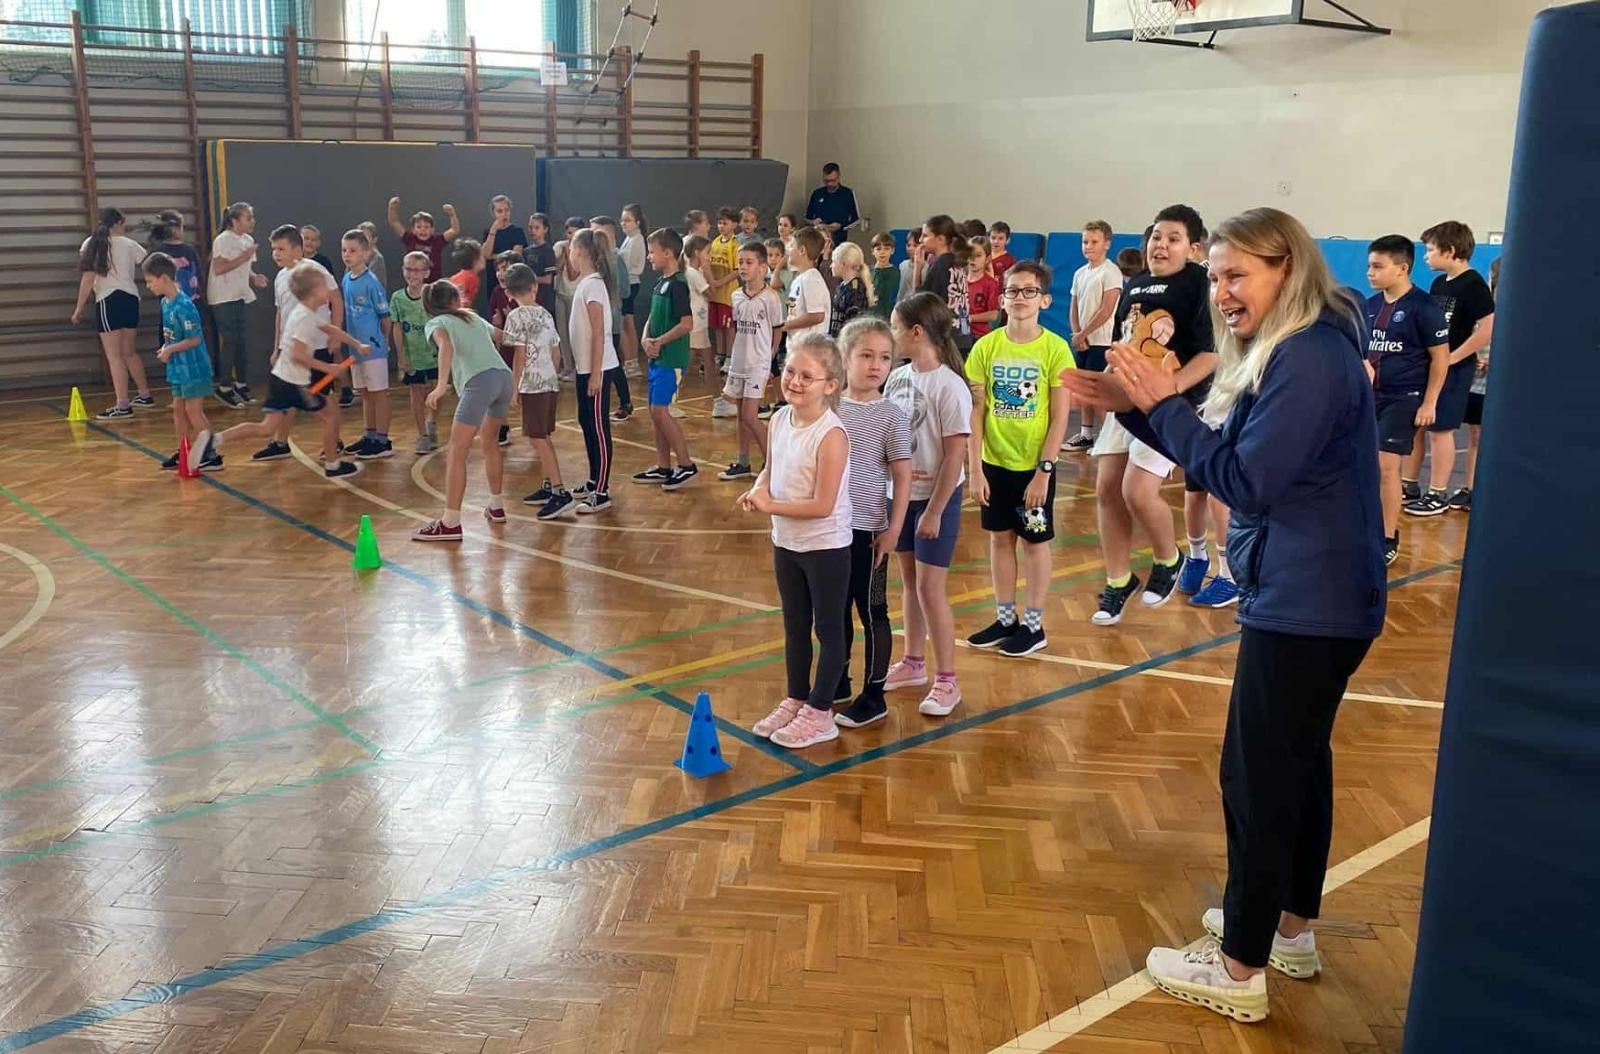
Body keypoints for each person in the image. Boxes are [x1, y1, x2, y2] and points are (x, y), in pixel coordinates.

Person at [1068, 207, 1385, 1026]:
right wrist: (1132, 404)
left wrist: (1157, 405)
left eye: (1236, 275)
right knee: (1299, 768)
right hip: (1311, 595)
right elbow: (1224, 447)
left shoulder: (1310, 356)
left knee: (1258, 778)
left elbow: (1246, 481)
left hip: (1309, 601)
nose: (1221, 292)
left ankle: (1239, 966)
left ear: (1289, 268)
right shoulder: (1293, 347)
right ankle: (1288, 929)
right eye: (1214, 276)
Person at [1087, 205, 1214, 626]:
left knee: (1137, 491)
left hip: (1166, 402)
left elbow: (1210, 354)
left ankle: (1169, 557)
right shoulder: (1136, 285)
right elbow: (1127, 343)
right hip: (1125, 399)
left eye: (1173, 238)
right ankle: (1119, 579)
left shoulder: (1197, 282)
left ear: (1193, 248)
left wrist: (1166, 393)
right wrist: (1104, 383)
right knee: (1106, 489)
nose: (1161, 244)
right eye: (1156, 236)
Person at [744, 334, 854, 750]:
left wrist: (771, 505)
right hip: (786, 541)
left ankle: (821, 711)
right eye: (791, 370)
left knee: (828, 628)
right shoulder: (779, 420)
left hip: (825, 546)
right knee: (794, 625)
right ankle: (796, 697)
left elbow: (823, 505)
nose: (794, 381)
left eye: (807, 376)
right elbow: (770, 471)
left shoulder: (831, 435)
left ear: (830, 385)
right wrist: (757, 490)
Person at [964, 260, 1075, 657]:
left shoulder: (1055, 349)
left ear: (1044, 299)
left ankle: (1034, 624)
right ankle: (1005, 617)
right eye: (1012, 291)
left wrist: (1044, 471)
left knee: (1033, 542)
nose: (1020, 298)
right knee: (999, 540)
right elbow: (975, 411)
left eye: (1029, 291)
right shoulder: (985, 348)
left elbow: (1061, 414)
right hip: (994, 463)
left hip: (1033, 468)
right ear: (1003, 298)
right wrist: (975, 468)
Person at [882, 293, 972, 718]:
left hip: (937, 499)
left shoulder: (949, 386)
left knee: (930, 588)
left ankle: (947, 679)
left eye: (896, 327)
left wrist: (935, 510)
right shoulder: (898, 377)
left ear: (916, 333)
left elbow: (955, 456)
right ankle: (913, 662)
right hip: (900, 496)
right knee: (909, 581)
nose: (892, 333)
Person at [207, 263, 362, 476]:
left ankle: (214, 440)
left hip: (281, 379)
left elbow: (329, 328)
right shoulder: (304, 318)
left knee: (266, 429)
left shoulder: (306, 311)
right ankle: (333, 465)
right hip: (294, 383)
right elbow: (299, 355)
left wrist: (356, 344)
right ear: (314, 291)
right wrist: (329, 368)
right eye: (324, 286)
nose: (329, 290)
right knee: (331, 417)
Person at [832, 317, 912, 729]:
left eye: (884, 357)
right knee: (834, 609)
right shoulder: (828, 408)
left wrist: (893, 530)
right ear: (844, 359)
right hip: (830, 531)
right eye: (866, 355)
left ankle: (874, 694)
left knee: (872, 610)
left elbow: (901, 474)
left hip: (868, 531)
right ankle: (837, 680)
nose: (875, 365)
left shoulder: (891, 415)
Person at [1363, 235, 1449, 565]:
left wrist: (1429, 403)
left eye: (1377, 267)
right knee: (1364, 464)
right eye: (1369, 266)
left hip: (1404, 398)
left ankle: (1387, 535)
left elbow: (1440, 359)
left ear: (1402, 268)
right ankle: (1365, 528)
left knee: (1387, 465)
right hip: (1370, 398)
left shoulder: (1424, 308)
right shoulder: (1369, 307)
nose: (1370, 273)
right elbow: (1364, 354)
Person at [1403, 221, 1496, 517]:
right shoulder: (1439, 283)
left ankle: (1438, 492)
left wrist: (1454, 357)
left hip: (1454, 370)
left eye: (1431, 250)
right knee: (1418, 425)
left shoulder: (1473, 284)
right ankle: (1410, 484)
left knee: (1440, 430)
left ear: (1451, 251)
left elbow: (1488, 327)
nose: (1427, 256)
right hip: (1430, 366)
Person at [410, 280, 514, 541]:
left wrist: (441, 385)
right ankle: (497, 505)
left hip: (479, 382)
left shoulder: (436, 323)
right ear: (456, 300)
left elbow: (446, 346)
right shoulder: (472, 317)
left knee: (457, 451)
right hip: (504, 378)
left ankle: (450, 522)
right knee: (490, 442)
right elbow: (503, 337)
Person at [265, 224, 354, 475]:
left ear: (297, 248)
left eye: (281, 249)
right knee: (290, 398)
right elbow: (280, 313)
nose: (276, 254)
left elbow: (336, 301)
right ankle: (280, 442)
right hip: (290, 348)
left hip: (316, 347)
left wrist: (335, 338)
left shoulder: (316, 272)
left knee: (323, 399)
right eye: (274, 249)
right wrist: (277, 347)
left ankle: (333, 447)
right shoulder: (281, 276)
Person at [501, 263, 571, 520]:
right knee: (543, 435)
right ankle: (547, 485)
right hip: (548, 382)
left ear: (508, 293)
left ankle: (560, 490)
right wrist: (550, 374)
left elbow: (519, 355)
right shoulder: (545, 314)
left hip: (532, 385)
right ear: (534, 287)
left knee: (537, 438)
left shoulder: (515, 317)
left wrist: (515, 386)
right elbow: (555, 351)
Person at [631, 227, 698, 491]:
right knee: (655, 413)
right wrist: (646, 339)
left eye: (652, 252)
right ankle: (663, 466)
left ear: (668, 253)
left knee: (661, 411)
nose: (649, 257)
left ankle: (686, 464)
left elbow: (687, 323)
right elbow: (651, 319)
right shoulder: (661, 283)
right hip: (658, 358)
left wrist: (660, 342)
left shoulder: (679, 285)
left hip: (671, 359)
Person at [72, 207, 152, 419]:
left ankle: (123, 405)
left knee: (114, 356)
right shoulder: (129, 244)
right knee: (129, 352)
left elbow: (88, 279)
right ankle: (144, 394)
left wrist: (79, 307)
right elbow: (147, 264)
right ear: (117, 223)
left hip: (109, 300)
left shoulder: (91, 243)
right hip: (131, 299)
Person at [142, 252, 219, 473]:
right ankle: (183, 448)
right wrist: (167, 348)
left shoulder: (185, 306)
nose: (148, 286)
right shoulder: (166, 303)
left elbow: (195, 339)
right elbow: (173, 336)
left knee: (193, 410)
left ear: (164, 278)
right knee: (177, 407)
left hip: (193, 366)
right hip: (177, 366)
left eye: (150, 281)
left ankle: (210, 454)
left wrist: (171, 349)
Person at [718, 240, 783, 481]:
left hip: (758, 363)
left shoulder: (771, 298)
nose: (743, 267)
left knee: (749, 415)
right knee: (739, 413)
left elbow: (777, 328)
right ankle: (743, 461)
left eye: (749, 262)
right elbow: (734, 327)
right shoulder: (736, 295)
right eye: (740, 263)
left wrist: (771, 353)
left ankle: (774, 463)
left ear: (763, 267)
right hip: (739, 362)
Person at [567, 229, 618, 515]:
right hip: (585, 368)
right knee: (586, 421)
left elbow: (599, 332)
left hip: (597, 369)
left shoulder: (594, 285)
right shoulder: (586, 284)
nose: (570, 255)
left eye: (572, 249)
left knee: (598, 428)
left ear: (582, 252)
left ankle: (602, 490)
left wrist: (596, 373)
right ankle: (592, 479)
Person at [1064, 220, 1123, 452]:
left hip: (1102, 341)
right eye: (1085, 241)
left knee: (1099, 391)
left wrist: (1085, 332)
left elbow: (1106, 309)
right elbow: (1074, 305)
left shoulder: (1111, 272)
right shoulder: (1080, 273)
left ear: (1107, 244)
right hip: (1084, 341)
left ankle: (1108, 437)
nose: (1088, 246)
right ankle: (1086, 434)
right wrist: (1077, 333)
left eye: (1094, 242)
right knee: (1083, 389)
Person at [207, 201, 268, 409]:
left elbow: (243, 267)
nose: (252, 221)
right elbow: (220, 268)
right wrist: (245, 256)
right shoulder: (224, 239)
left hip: (239, 294)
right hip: (223, 296)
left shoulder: (247, 239)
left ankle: (241, 384)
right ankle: (224, 387)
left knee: (242, 341)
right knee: (231, 341)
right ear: (234, 220)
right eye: (248, 217)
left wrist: (253, 277)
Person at [338, 229, 393, 460]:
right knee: (365, 393)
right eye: (344, 250)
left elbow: (385, 318)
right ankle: (369, 434)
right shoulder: (346, 279)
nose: (347, 255)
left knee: (378, 393)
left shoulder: (372, 283)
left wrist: (383, 341)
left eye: (352, 251)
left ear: (366, 253)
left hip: (372, 348)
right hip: (355, 347)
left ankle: (382, 439)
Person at [1455, 256, 1500, 510]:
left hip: (1499, 382)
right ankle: (1470, 488)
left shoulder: (1521, 311)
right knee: (1475, 434)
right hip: (1477, 378)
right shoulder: (1485, 304)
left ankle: (1485, 489)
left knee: (1488, 436)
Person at [390, 251, 439, 454]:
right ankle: (422, 435)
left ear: (426, 273)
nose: (412, 274)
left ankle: (432, 422)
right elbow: (397, 327)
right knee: (417, 392)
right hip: (413, 356)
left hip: (435, 354)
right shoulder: (398, 298)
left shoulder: (433, 295)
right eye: (408, 269)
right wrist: (401, 355)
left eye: (417, 270)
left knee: (438, 392)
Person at [591, 218, 635, 421]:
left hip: (612, 320)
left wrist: (608, 294)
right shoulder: (596, 260)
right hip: (601, 319)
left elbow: (625, 290)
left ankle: (625, 402)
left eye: (597, 233)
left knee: (613, 363)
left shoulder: (615, 259)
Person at [386, 196, 460, 282]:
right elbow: (394, 222)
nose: (423, 229)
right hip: (413, 283)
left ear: (432, 230)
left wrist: (452, 215)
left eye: (426, 227)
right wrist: (392, 208)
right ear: (413, 230)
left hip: (433, 284)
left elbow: (454, 230)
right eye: (419, 227)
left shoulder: (437, 240)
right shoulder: (410, 239)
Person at [707, 206, 742, 383]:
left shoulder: (735, 245)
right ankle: (720, 354)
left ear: (734, 224)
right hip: (715, 294)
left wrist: (721, 282)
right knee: (717, 326)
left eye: (725, 223)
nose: (721, 226)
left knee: (729, 327)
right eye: (719, 222)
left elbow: (737, 271)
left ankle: (730, 357)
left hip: (728, 293)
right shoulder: (714, 242)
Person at [481, 194, 528, 312]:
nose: (504, 214)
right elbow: (485, 254)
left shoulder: (517, 231)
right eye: (499, 211)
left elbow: (515, 257)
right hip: (493, 279)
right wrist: (493, 230)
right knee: (495, 314)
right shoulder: (488, 232)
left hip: (512, 280)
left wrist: (494, 256)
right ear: (494, 213)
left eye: (506, 210)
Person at [682, 234, 715, 385]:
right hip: (695, 322)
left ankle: (717, 398)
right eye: (706, 252)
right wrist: (708, 271)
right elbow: (711, 294)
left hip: (700, 322)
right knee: (687, 361)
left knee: (708, 358)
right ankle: (671, 394)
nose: (708, 256)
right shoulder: (693, 273)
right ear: (697, 253)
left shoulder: (695, 272)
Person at [619, 203, 648, 373]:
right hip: (627, 282)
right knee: (626, 322)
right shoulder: (629, 239)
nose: (623, 223)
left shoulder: (637, 240)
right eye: (622, 220)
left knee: (627, 323)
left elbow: (633, 266)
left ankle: (632, 360)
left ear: (637, 222)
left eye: (627, 220)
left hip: (630, 283)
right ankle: (630, 360)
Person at [804, 162, 860, 245]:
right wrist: (813, 222)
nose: (829, 184)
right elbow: (806, 218)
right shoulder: (817, 194)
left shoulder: (848, 194)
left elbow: (856, 220)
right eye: (826, 181)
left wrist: (841, 226)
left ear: (839, 177)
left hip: (839, 240)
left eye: (833, 180)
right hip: (818, 240)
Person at [829, 241, 874, 337]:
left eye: (833, 262)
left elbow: (854, 324)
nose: (831, 265)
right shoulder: (842, 286)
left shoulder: (856, 290)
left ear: (843, 264)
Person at [523, 212, 559, 316]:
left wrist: (530, 279)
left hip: (545, 300)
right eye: (530, 227)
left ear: (545, 229)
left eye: (537, 228)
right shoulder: (526, 251)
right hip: (530, 298)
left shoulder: (547, 251)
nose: (533, 231)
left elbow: (548, 280)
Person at [965, 237, 1001, 339]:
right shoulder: (959, 280)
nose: (973, 259)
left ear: (987, 259)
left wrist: (970, 318)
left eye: (978, 255)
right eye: (970, 255)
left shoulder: (991, 284)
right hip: (958, 334)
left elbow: (993, 314)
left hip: (978, 335)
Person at [447, 238, 485, 310]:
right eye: (481, 255)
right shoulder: (469, 278)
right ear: (475, 260)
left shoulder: (470, 276)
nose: (484, 258)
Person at [868, 232, 899, 319]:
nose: (882, 252)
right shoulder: (868, 272)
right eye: (878, 249)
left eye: (886, 249)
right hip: (871, 315)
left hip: (889, 314)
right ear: (873, 251)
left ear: (892, 251)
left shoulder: (895, 272)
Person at [357, 220, 387, 288]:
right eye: (360, 237)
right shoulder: (355, 257)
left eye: (366, 237)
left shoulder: (377, 259)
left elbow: (369, 282)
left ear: (374, 239)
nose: (362, 241)